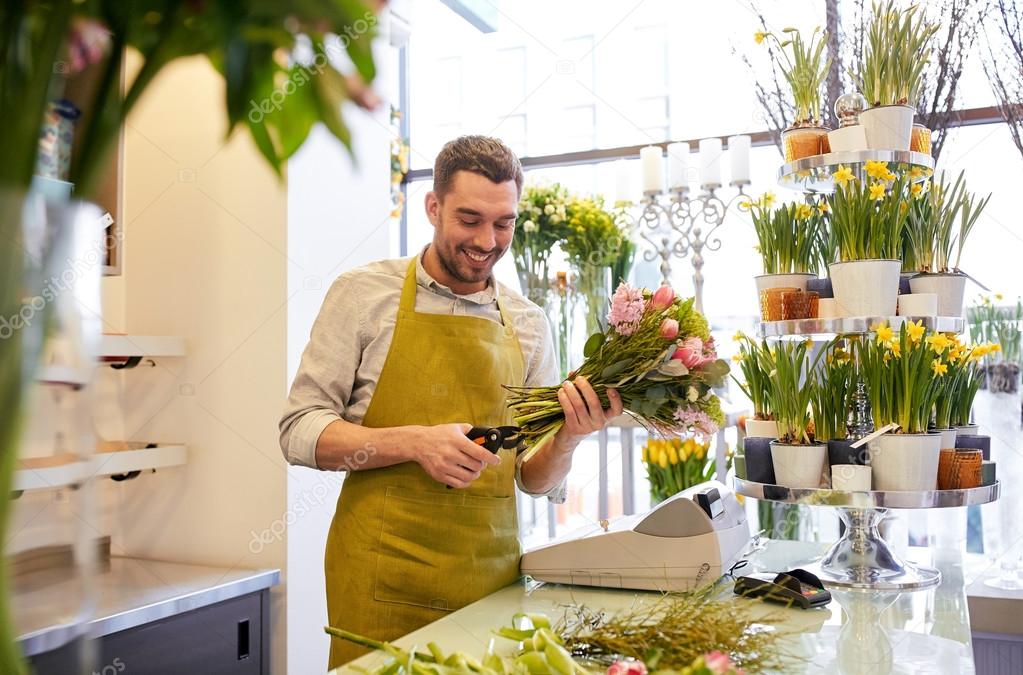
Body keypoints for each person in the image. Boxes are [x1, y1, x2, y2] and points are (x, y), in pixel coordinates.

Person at [279, 135, 622, 668]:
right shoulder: (363, 295)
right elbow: (299, 432)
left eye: (503, 222)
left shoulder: (528, 324)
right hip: (378, 578)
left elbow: (533, 478)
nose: (487, 240)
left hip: (488, 584)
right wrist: (415, 442)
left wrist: (571, 437)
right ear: (433, 207)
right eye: (469, 219)